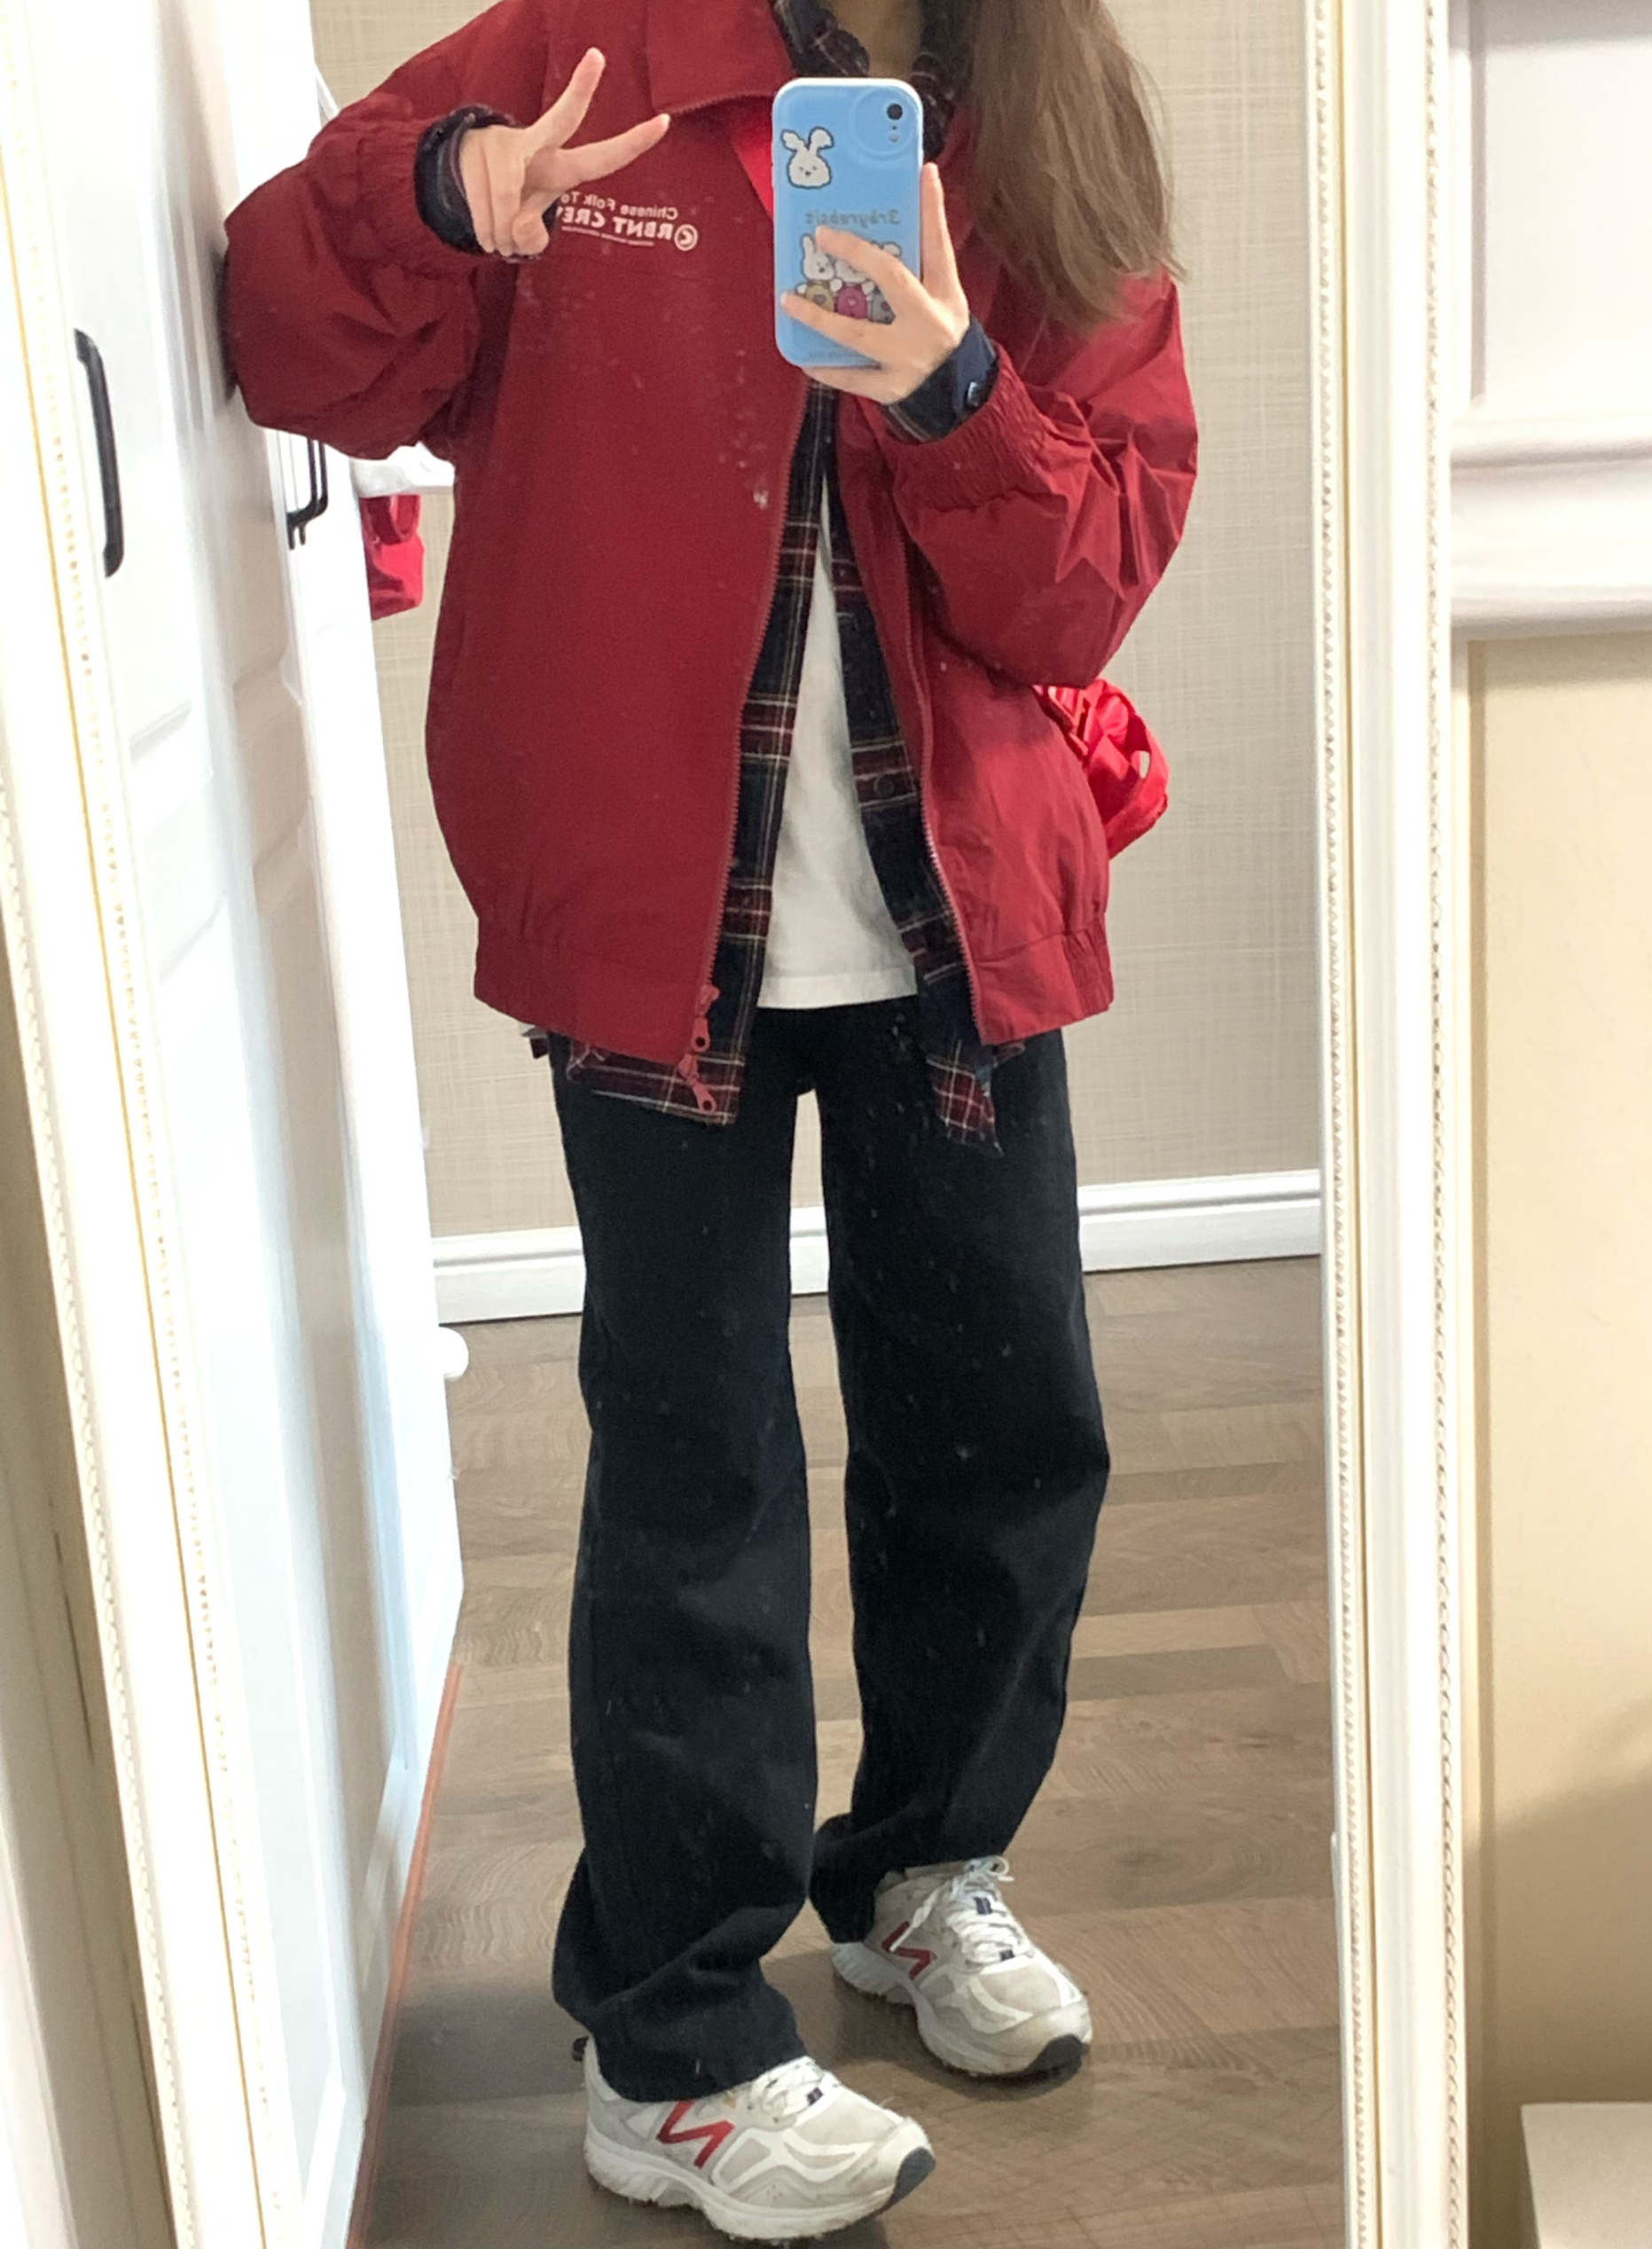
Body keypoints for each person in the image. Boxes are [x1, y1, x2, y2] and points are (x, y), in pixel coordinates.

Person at [223, 0, 1196, 2236]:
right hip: (656, 914)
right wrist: (441, 195)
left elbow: (1089, 577)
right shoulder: (585, 48)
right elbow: (287, 338)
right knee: (696, 1462)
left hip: (958, 906)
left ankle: (923, 1870)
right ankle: (669, 2037)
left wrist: (951, 386)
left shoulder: (1054, 104)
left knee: (1007, 1423)